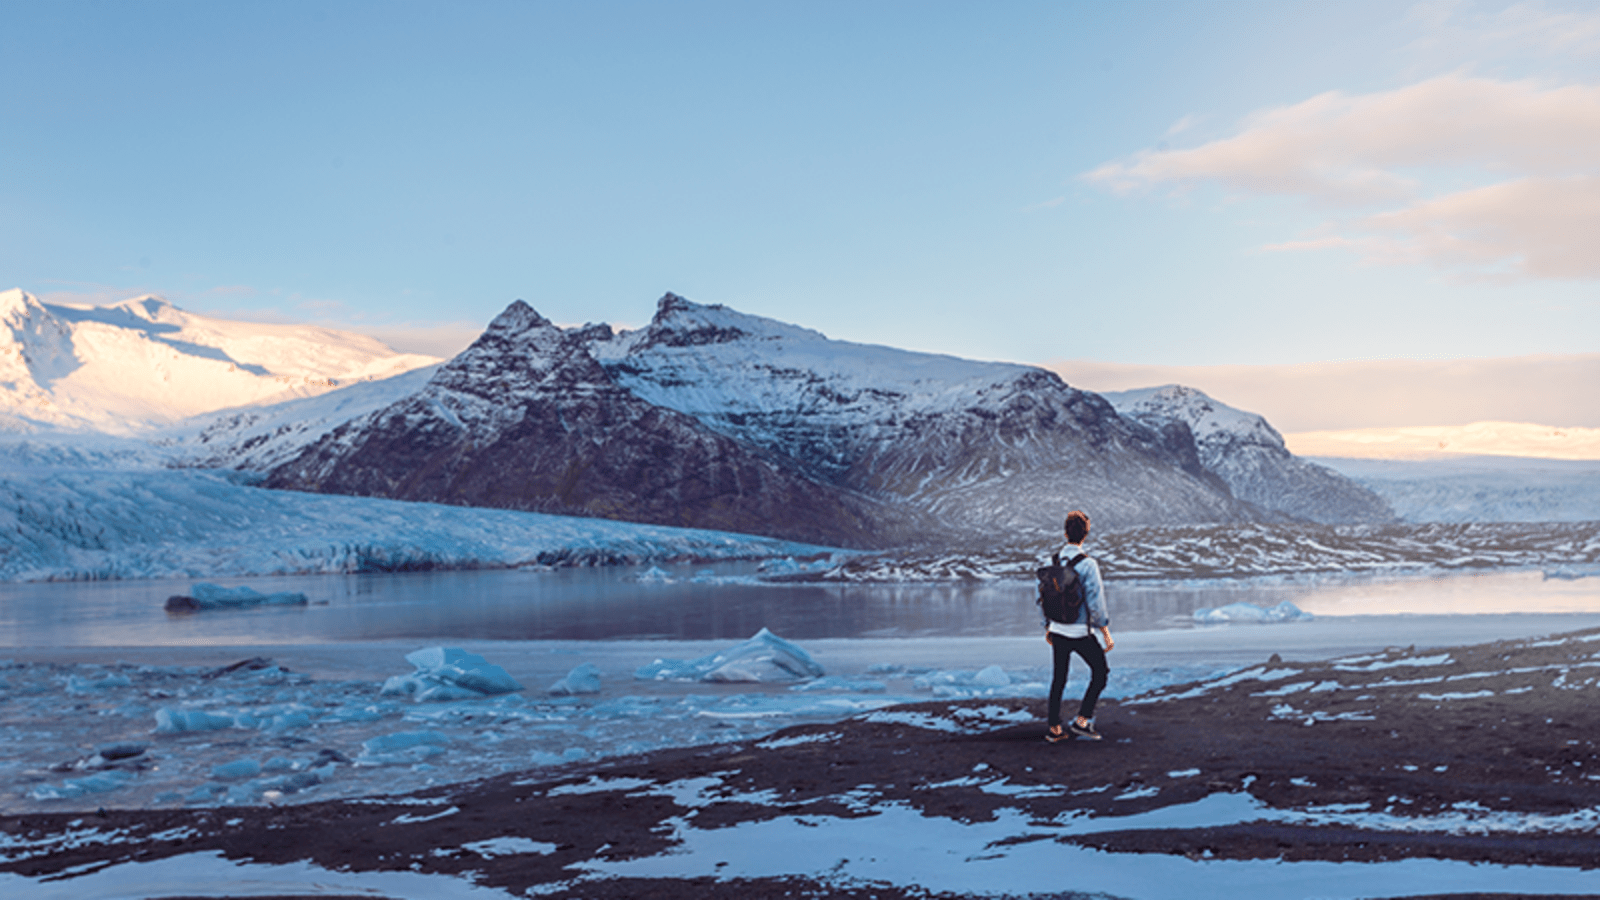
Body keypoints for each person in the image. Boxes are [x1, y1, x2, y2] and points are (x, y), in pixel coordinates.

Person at [1044, 510, 1113, 742]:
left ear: (1065, 533)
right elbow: (1096, 603)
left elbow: (1042, 598)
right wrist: (1104, 631)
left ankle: (1054, 729)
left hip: (1057, 629)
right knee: (1101, 674)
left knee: (1059, 678)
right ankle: (1082, 722)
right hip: (1080, 633)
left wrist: (1047, 626)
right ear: (1086, 534)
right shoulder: (1088, 565)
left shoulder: (1050, 562)